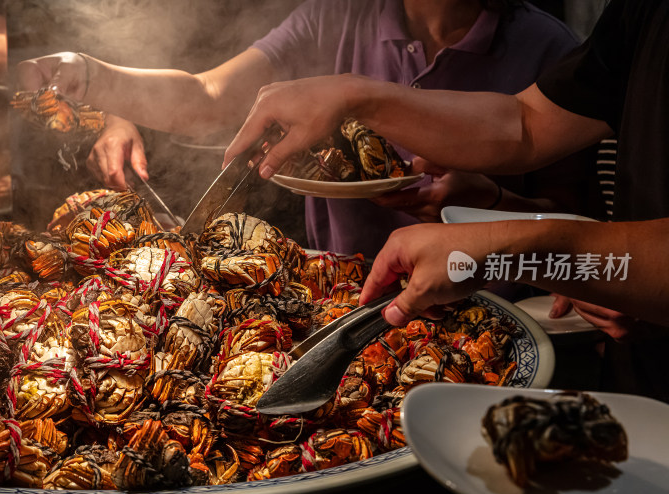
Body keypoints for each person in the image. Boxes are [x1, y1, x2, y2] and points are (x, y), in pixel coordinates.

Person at [223, 0, 669, 399]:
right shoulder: (638, 12)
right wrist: (354, 94)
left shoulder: (542, 38)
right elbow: (528, 123)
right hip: (640, 383)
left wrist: (499, 247)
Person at [18, 0, 592, 256]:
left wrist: (487, 198)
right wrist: (90, 76)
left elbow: (583, 223)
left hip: (496, 308)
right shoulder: (336, 15)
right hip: (340, 301)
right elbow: (207, 97)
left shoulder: (550, 49)